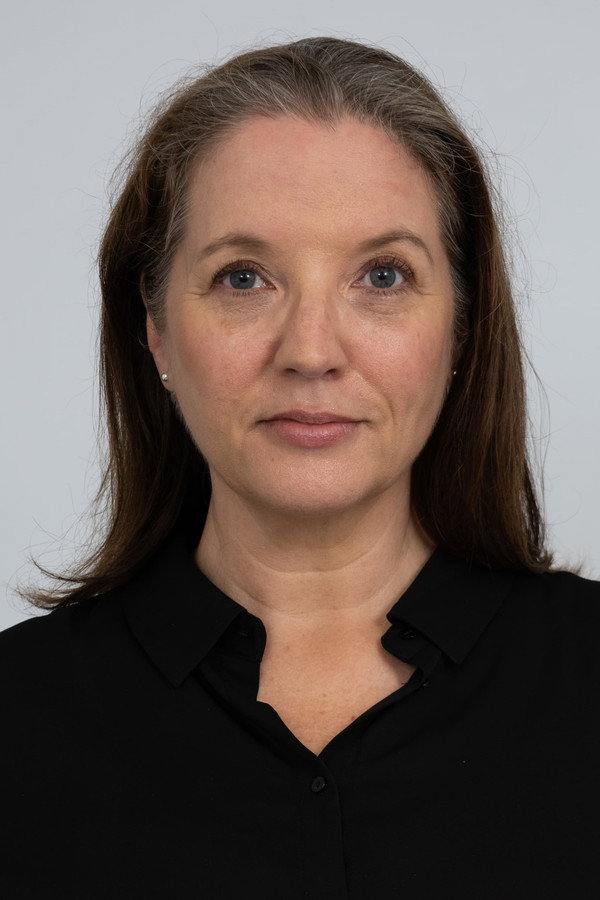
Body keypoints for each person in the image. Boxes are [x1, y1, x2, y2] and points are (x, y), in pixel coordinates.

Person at [1, 35, 599, 899]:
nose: (312, 351)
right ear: (156, 328)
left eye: (383, 276)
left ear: (462, 329)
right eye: (244, 279)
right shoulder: (18, 716)